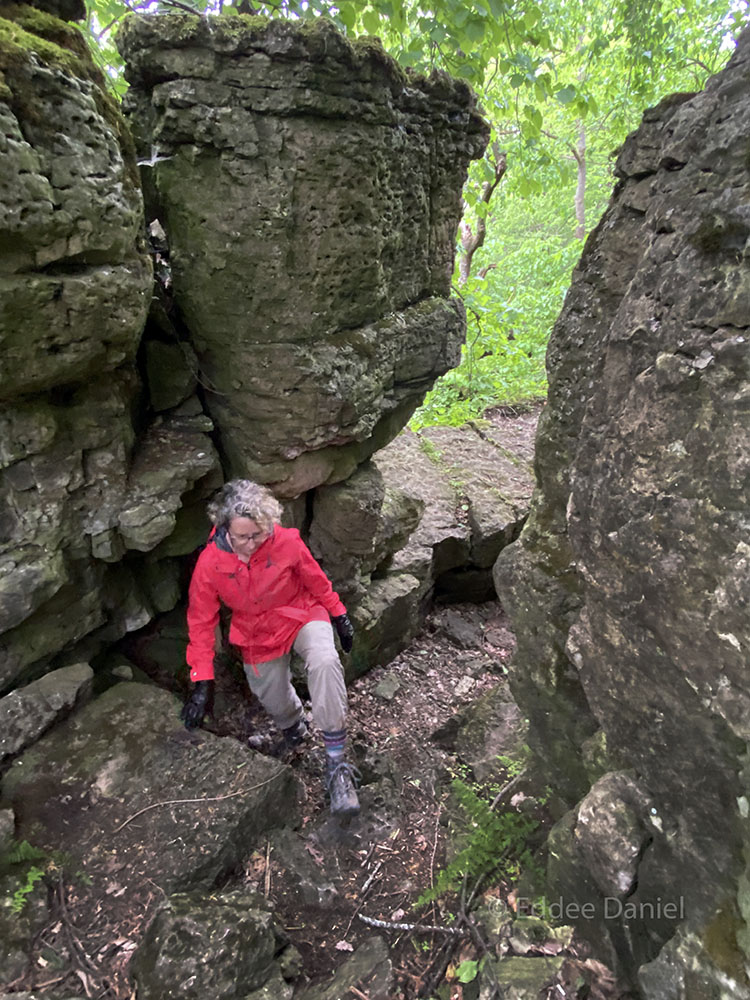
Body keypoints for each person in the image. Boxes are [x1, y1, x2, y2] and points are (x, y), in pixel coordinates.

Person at [180, 479, 360, 820]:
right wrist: (201, 680)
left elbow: (315, 579)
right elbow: (201, 621)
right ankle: (294, 729)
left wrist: (338, 613)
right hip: (255, 631)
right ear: (224, 531)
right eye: (243, 537)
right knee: (270, 692)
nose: (252, 544)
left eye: (259, 535)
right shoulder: (210, 564)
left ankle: (337, 765)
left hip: (301, 611)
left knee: (324, 661)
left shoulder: (286, 541)